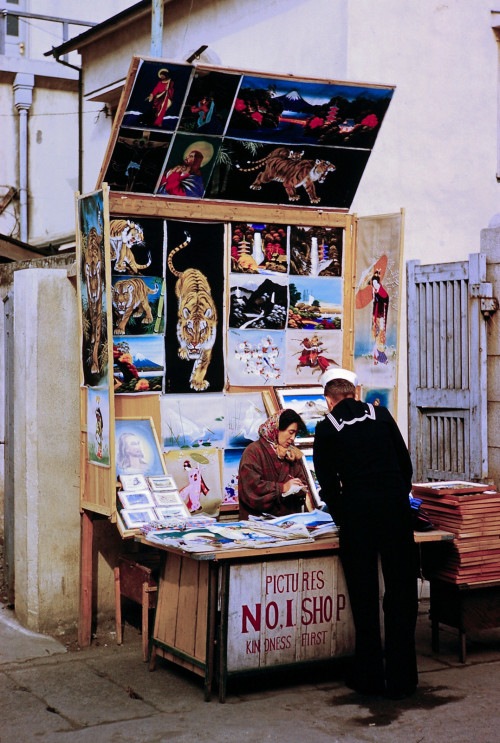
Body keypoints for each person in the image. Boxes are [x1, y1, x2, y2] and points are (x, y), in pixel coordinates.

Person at [313, 368, 418, 699]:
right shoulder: (382, 415)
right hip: (396, 511)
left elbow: (328, 485)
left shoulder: (327, 427)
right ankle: (403, 678)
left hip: (359, 514)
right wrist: (398, 497)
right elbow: (405, 466)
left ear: (329, 400)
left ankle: (370, 676)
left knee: (365, 596)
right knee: (401, 593)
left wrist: (345, 515)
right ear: (354, 393)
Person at [238, 409, 309, 519]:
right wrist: (282, 488)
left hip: (287, 523)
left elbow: (302, 481)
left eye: (295, 434)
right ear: (277, 429)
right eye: (291, 432)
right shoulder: (253, 451)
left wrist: (299, 487)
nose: (293, 438)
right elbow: (252, 490)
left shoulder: (292, 453)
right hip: (257, 524)